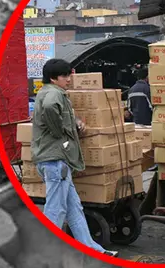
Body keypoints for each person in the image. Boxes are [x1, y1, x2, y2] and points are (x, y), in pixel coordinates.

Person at [31, 58, 115, 256]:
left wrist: (73, 122)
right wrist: (60, 130)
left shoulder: (47, 92)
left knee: (74, 208)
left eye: (69, 75)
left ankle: (92, 249)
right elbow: (52, 108)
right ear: (53, 78)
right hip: (54, 161)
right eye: (65, 76)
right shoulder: (53, 94)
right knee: (56, 210)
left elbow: (57, 112)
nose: (69, 79)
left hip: (55, 162)